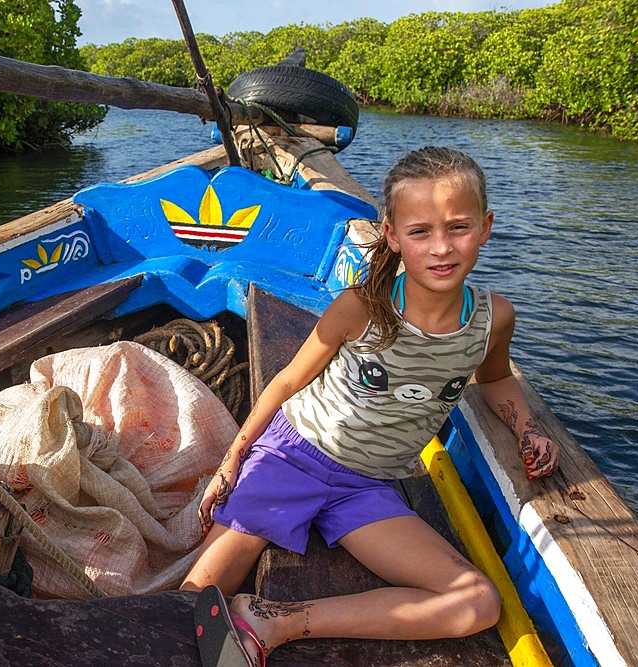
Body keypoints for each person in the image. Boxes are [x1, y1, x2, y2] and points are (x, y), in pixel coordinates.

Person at [181, 146, 560, 667]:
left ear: (487, 227)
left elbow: (497, 383)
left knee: (476, 602)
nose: (441, 248)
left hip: (368, 485)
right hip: (294, 455)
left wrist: (526, 429)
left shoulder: (492, 319)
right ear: (392, 235)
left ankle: (279, 621)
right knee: (190, 596)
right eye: (421, 231)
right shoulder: (360, 309)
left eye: (459, 227)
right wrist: (234, 460)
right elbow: (288, 380)